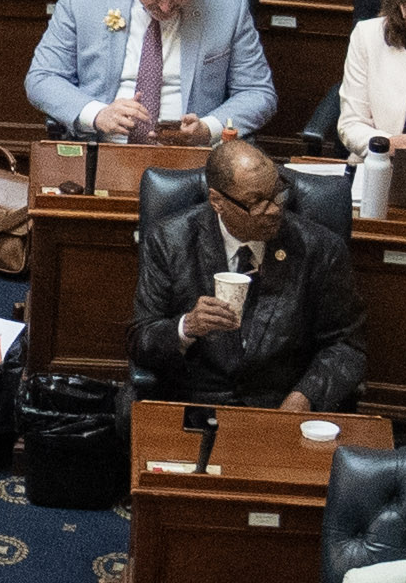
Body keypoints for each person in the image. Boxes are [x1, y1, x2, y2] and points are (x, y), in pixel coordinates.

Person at [134, 136, 360, 404]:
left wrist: (305, 396)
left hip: (278, 402)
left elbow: (346, 344)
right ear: (217, 201)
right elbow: (141, 338)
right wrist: (187, 326)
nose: (273, 210)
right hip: (195, 401)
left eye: (277, 193)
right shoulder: (169, 240)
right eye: (256, 202)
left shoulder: (320, 248)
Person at [38, 0, 272, 140]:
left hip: (191, 151)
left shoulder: (230, 2)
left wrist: (209, 128)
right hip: (101, 145)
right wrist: (97, 114)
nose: (166, 7)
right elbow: (44, 76)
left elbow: (257, 93)